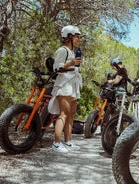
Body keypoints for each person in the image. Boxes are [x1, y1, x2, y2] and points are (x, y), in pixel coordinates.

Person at [48, 25, 83, 153]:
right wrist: (71, 63)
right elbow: (56, 68)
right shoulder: (62, 50)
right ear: (69, 36)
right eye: (76, 36)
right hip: (64, 85)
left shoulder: (72, 52)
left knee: (71, 115)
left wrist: (74, 63)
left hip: (72, 85)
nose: (78, 39)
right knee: (63, 114)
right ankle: (56, 143)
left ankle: (68, 141)